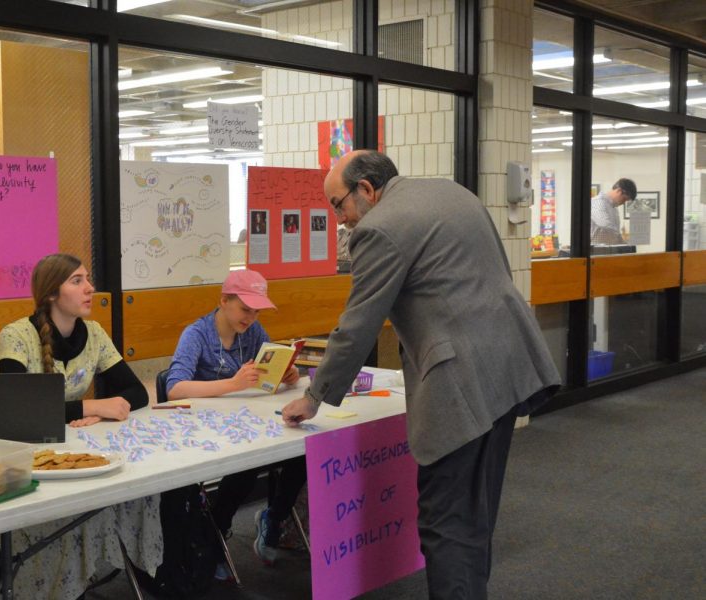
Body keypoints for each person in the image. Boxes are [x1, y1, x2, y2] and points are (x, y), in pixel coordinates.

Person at [282, 150, 561, 599]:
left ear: (367, 190)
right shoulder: (451, 192)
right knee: (474, 513)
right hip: (510, 366)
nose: (341, 219)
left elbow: (358, 325)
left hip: (461, 384)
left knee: (445, 522)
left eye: (339, 205)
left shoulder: (378, 228)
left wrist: (314, 396)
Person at [0, 253, 161, 599]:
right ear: (52, 294)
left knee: (140, 484)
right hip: (31, 457)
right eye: (77, 281)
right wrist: (91, 405)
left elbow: (134, 391)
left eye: (88, 279)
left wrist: (101, 414)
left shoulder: (95, 333)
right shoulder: (15, 336)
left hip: (76, 447)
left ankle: (85, 579)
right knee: (66, 513)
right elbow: (16, 408)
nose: (90, 288)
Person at [165, 269, 305, 575]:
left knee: (302, 450)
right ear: (223, 301)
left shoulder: (253, 333)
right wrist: (233, 383)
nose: (251, 318)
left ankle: (274, 516)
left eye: (256, 311)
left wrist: (285, 375)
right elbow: (174, 387)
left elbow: (265, 379)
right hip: (204, 431)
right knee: (249, 464)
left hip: (243, 424)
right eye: (245, 309)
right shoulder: (197, 334)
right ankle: (217, 532)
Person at [591, 178, 637, 245]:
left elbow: (615, 235)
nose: (624, 203)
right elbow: (605, 224)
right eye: (624, 199)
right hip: (595, 252)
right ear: (619, 191)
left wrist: (626, 245)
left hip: (609, 252)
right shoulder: (597, 202)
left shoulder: (614, 208)